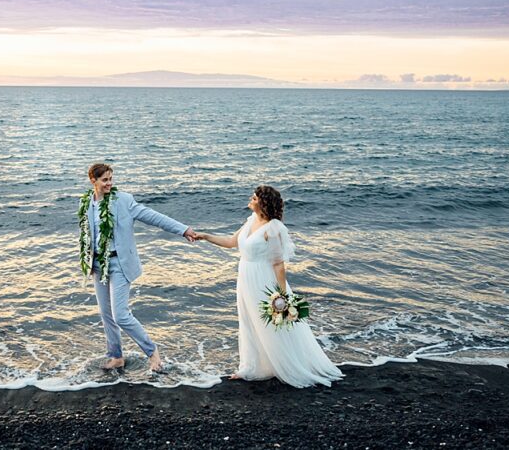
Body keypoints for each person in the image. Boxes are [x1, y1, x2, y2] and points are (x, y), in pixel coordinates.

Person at [194, 185, 342, 387]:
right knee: (249, 321)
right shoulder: (250, 221)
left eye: (254, 197)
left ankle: (285, 365)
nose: (250, 199)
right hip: (245, 277)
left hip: (264, 281)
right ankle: (251, 367)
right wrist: (205, 236)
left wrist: (281, 295)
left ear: (262, 203)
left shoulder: (273, 229)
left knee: (273, 325)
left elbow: (278, 264)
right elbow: (231, 242)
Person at [79, 162, 197, 371]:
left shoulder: (123, 200)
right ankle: (116, 356)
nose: (109, 183)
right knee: (106, 314)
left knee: (120, 315)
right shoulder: (87, 202)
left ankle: (152, 352)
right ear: (93, 181)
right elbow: (89, 234)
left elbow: (153, 216)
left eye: (110, 179)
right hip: (98, 264)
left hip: (119, 263)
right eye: (104, 180)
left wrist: (183, 230)